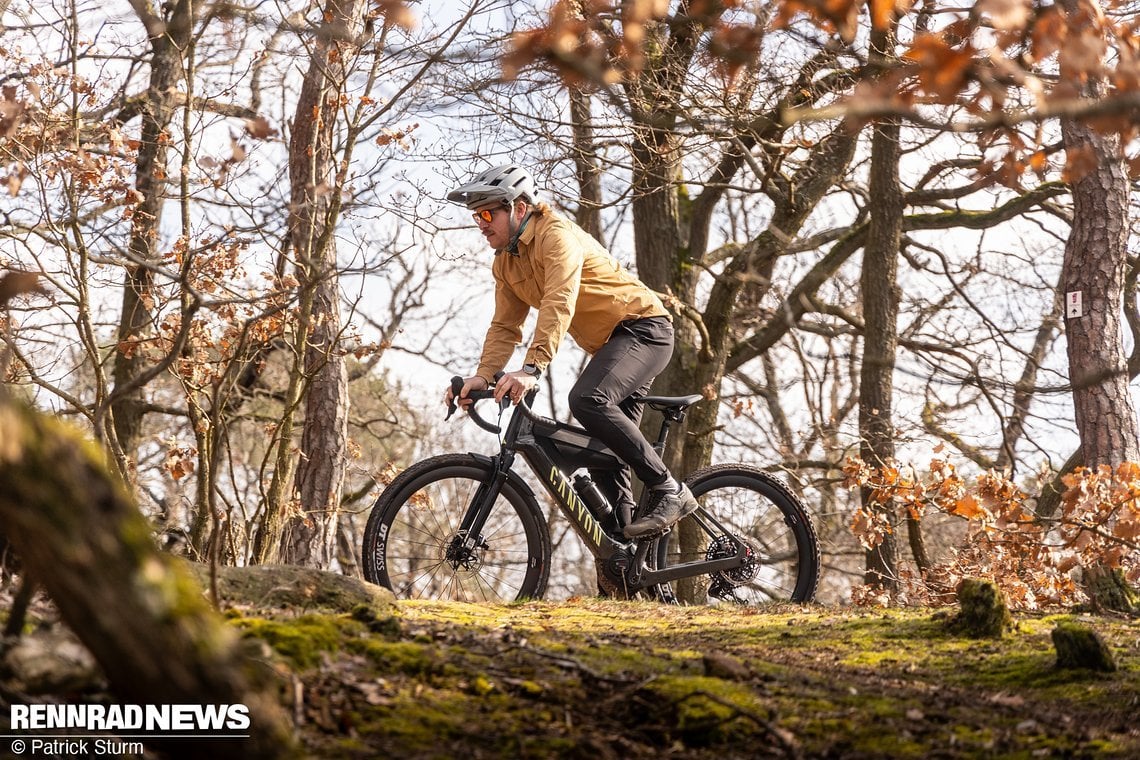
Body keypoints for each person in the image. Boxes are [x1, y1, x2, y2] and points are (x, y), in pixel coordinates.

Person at [442, 163, 698, 539]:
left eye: (486, 213)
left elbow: (559, 300)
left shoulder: (556, 236)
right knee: (603, 456)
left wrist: (532, 368)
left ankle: (667, 489)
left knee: (587, 399)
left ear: (518, 208)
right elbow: (505, 326)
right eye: (475, 216)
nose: (480, 223)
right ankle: (626, 566)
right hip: (611, 346)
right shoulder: (506, 263)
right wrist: (482, 376)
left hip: (644, 329)